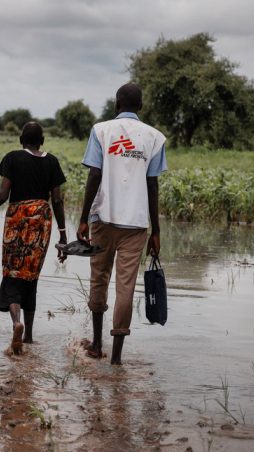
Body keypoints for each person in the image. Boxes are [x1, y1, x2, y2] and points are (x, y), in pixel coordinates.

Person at [77, 83, 166, 365]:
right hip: (137, 225)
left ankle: (96, 344)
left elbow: (94, 175)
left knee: (99, 278)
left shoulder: (101, 130)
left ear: (117, 104)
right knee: (125, 287)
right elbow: (153, 186)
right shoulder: (154, 138)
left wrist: (81, 218)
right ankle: (116, 357)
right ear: (141, 107)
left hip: (103, 218)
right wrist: (157, 230)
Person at [0, 122, 68, 355]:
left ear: (21, 140)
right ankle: (28, 335)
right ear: (42, 141)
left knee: (12, 274)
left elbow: (2, 195)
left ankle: (16, 322)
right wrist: (63, 234)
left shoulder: (13, 158)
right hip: (41, 223)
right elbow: (57, 201)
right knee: (31, 275)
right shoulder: (52, 162)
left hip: (17, 222)